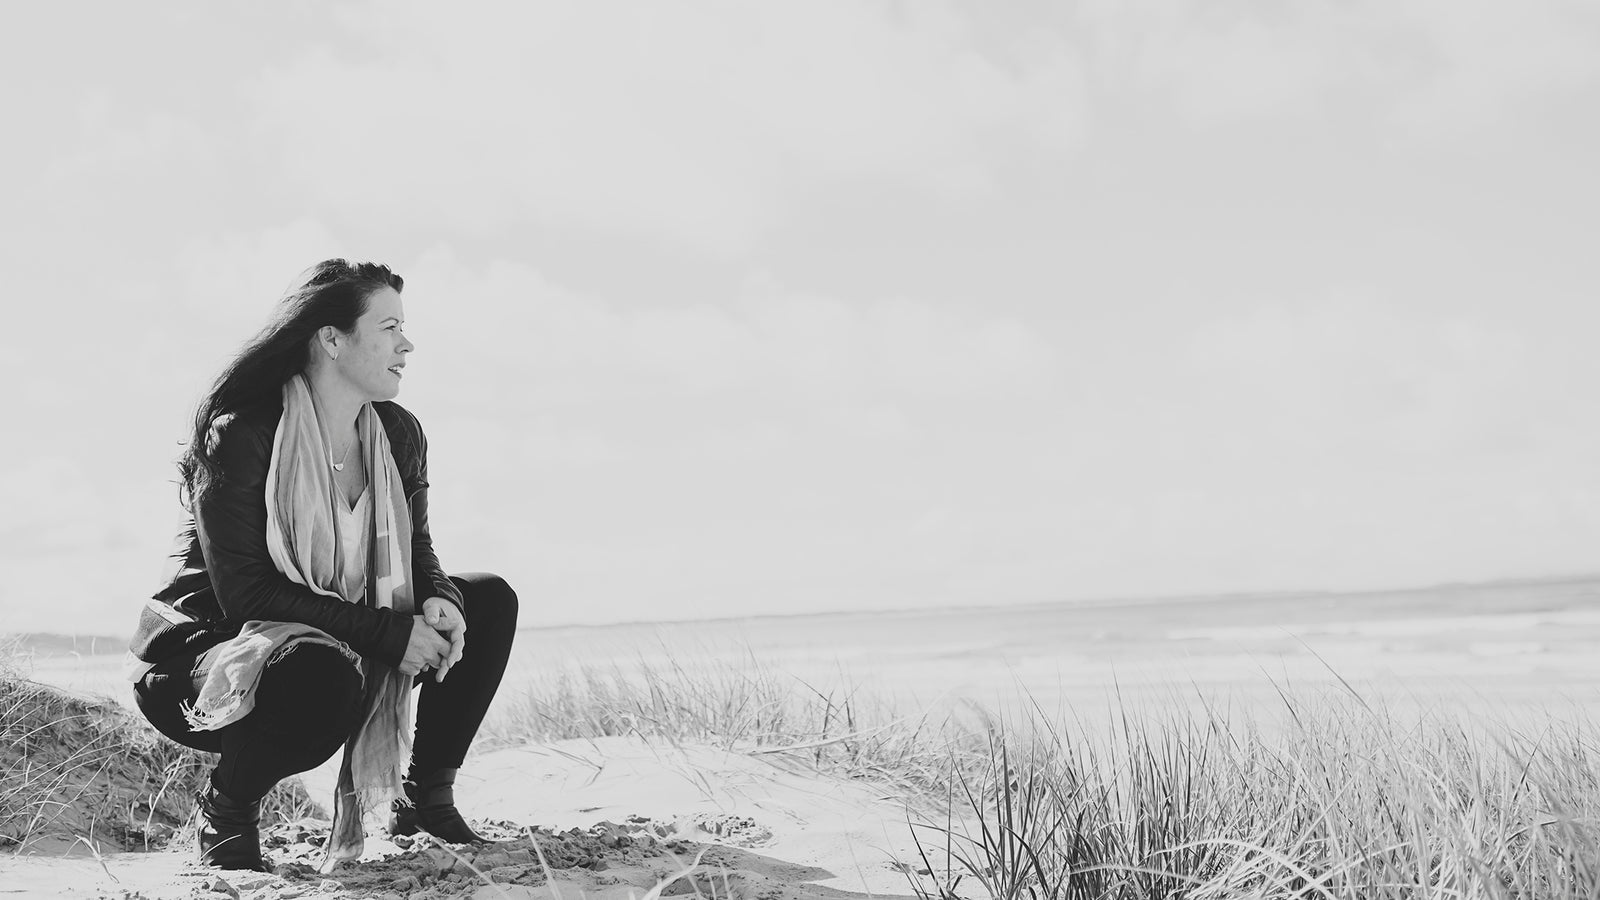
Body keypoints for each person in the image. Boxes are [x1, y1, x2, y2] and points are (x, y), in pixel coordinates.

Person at [126, 259, 518, 872]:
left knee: (487, 598)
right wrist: (390, 634)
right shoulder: (245, 432)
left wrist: (440, 597)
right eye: (389, 327)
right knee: (321, 674)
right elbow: (247, 597)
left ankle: (424, 799)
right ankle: (226, 812)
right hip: (209, 659)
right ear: (331, 339)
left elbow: (417, 552)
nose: (406, 344)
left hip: (339, 637)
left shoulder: (397, 432)